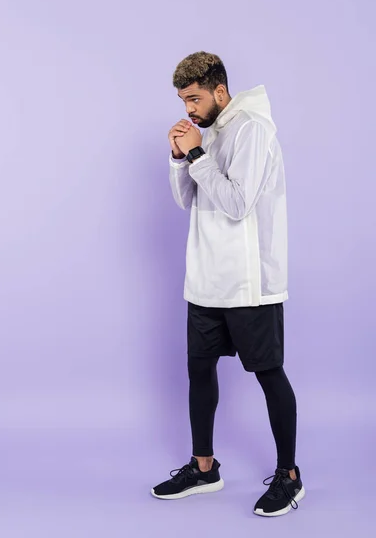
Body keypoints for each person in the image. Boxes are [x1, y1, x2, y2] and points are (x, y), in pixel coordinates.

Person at [150, 52, 305, 517]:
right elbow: (188, 202)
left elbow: (237, 203)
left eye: (194, 98)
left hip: (248, 281)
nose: (188, 109)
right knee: (199, 371)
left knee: (268, 374)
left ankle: (290, 477)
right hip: (206, 276)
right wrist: (180, 158)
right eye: (182, 100)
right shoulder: (210, 131)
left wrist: (195, 151)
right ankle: (204, 467)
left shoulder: (253, 129)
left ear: (220, 90)